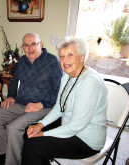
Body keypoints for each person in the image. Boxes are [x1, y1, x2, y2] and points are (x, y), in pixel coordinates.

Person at [21, 37, 108, 165]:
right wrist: (40, 125)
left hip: (86, 139)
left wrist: (44, 134)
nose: (64, 60)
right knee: (28, 132)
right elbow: (58, 108)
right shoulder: (67, 76)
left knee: (33, 146)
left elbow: (75, 126)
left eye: (70, 55)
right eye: (61, 56)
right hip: (68, 125)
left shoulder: (90, 82)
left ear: (82, 57)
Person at [0, 32, 63, 165]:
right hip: (21, 104)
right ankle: (9, 153)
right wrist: (10, 96)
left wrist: (42, 104)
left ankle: (13, 162)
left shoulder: (52, 61)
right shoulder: (22, 60)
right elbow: (14, 80)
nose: (29, 48)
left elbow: (60, 91)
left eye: (33, 44)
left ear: (41, 45)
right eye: (26, 45)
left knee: (13, 127)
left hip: (43, 107)